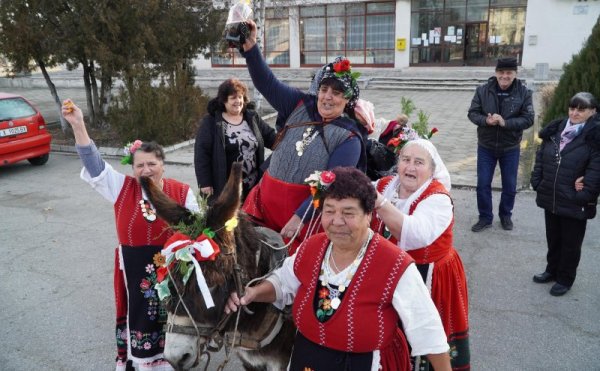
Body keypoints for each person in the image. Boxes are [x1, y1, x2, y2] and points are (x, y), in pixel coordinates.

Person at [225, 167, 451, 371]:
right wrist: (254, 293)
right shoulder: (312, 247)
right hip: (307, 359)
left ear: (369, 215)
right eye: (329, 210)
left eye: (348, 213)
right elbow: (283, 283)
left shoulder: (395, 265)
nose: (337, 221)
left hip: (365, 363)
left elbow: (427, 331)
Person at [61, 100, 200, 371]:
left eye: (152, 164)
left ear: (163, 164)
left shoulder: (182, 192)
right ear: (132, 168)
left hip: (173, 275)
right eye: (139, 166)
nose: (145, 170)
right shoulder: (122, 188)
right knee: (140, 320)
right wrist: (79, 125)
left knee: (174, 321)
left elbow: (196, 232)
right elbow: (94, 165)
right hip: (135, 276)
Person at [240, 20, 368, 253]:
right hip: (263, 206)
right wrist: (250, 48)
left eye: (336, 92)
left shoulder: (349, 137)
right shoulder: (299, 104)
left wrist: (301, 216)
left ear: (347, 100)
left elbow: (330, 183)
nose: (327, 97)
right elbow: (266, 82)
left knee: (293, 278)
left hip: (305, 218)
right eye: (324, 89)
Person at [371, 139, 470, 370]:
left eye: (419, 162)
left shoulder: (438, 199)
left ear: (432, 170)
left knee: (423, 335)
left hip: (429, 278)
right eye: (405, 160)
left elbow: (414, 234)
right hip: (390, 274)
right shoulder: (387, 185)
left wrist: (378, 203)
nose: (410, 167)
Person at [530, 92, 600, 296]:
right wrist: (538, 181)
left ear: (593, 111)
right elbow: (541, 157)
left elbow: (596, 169)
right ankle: (551, 271)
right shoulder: (556, 129)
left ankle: (565, 279)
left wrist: (585, 192)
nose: (575, 113)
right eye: (572, 108)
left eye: (581, 109)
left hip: (575, 200)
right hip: (551, 195)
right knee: (554, 238)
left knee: (571, 244)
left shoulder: (595, 136)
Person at [468, 57, 535, 232]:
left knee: (509, 185)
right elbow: (472, 113)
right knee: (483, 184)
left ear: (515, 74)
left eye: (509, 73)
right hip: (486, 146)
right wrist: (485, 120)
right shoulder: (483, 90)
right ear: (496, 73)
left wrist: (506, 123)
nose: (505, 76)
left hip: (510, 147)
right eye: (501, 72)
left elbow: (528, 119)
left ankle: (505, 215)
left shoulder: (524, 92)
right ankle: (485, 217)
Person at [194, 78, 276, 203]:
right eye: (233, 98)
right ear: (224, 100)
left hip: (253, 186)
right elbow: (202, 154)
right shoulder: (211, 122)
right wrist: (205, 182)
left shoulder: (252, 117)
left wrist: (292, 140)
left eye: (240, 97)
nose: (238, 101)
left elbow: (272, 138)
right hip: (225, 187)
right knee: (227, 221)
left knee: (250, 220)